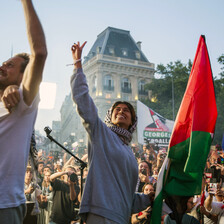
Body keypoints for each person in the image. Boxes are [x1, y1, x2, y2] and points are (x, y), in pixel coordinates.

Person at [70, 42, 152, 224]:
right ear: (110, 116)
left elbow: (127, 198)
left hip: (120, 218)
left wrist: (148, 197)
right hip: (101, 214)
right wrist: (78, 65)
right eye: (117, 109)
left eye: (127, 110)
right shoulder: (101, 134)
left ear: (132, 122)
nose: (121, 111)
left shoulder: (129, 153)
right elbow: (84, 102)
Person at [0, 0, 47, 223]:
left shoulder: (23, 103)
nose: (2, 66)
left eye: (10, 65)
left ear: (23, 77)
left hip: (5, 206)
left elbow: (39, 53)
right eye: (3, 63)